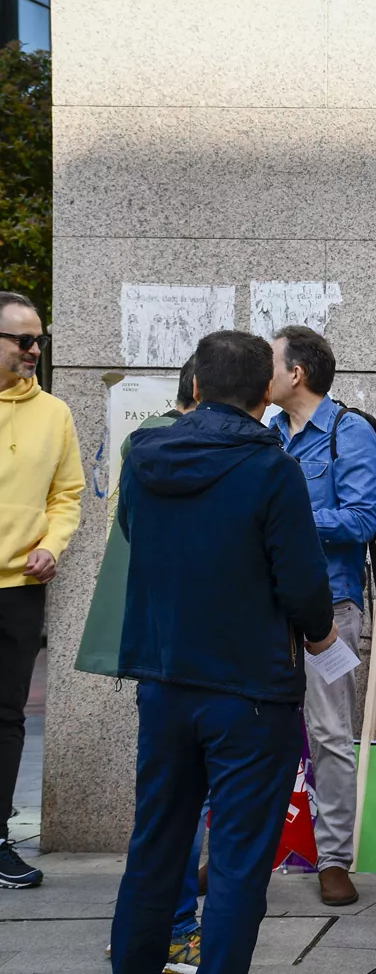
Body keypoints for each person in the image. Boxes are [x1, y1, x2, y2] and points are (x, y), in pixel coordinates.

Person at [110, 330, 337, 974]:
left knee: (156, 842)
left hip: (165, 676)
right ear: (266, 392)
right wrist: (318, 634)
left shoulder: (144, 457)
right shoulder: (272, 468)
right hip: (252, 690)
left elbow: (132, 531)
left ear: (198, 387)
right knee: (238, 859)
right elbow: (302, 583)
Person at [77, 357, 212, 970]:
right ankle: (176, 927)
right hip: (205, 651)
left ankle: (146, 931)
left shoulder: (146, 447)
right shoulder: (185, 447)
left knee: (164, 801)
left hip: (162, 650)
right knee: (181, 803)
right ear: (204, 391)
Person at [267, 325, 376, 907]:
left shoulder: (348, 431)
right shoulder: (265, 433)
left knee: (331, 734)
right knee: (255, 731)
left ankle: (334, 858)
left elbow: (361, 520)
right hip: (264, 607)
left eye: (271, 360)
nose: (263, 371)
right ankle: (241, 853)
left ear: (297, 374)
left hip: (331, 606)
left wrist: (289, 516)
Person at [0, 293, 82, 892]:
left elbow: (67, 494)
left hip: (19, 588)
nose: (33, 351)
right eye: (22, 341)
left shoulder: (54, 413)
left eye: (39, 341)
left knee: (7, 719)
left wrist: (54, 542)